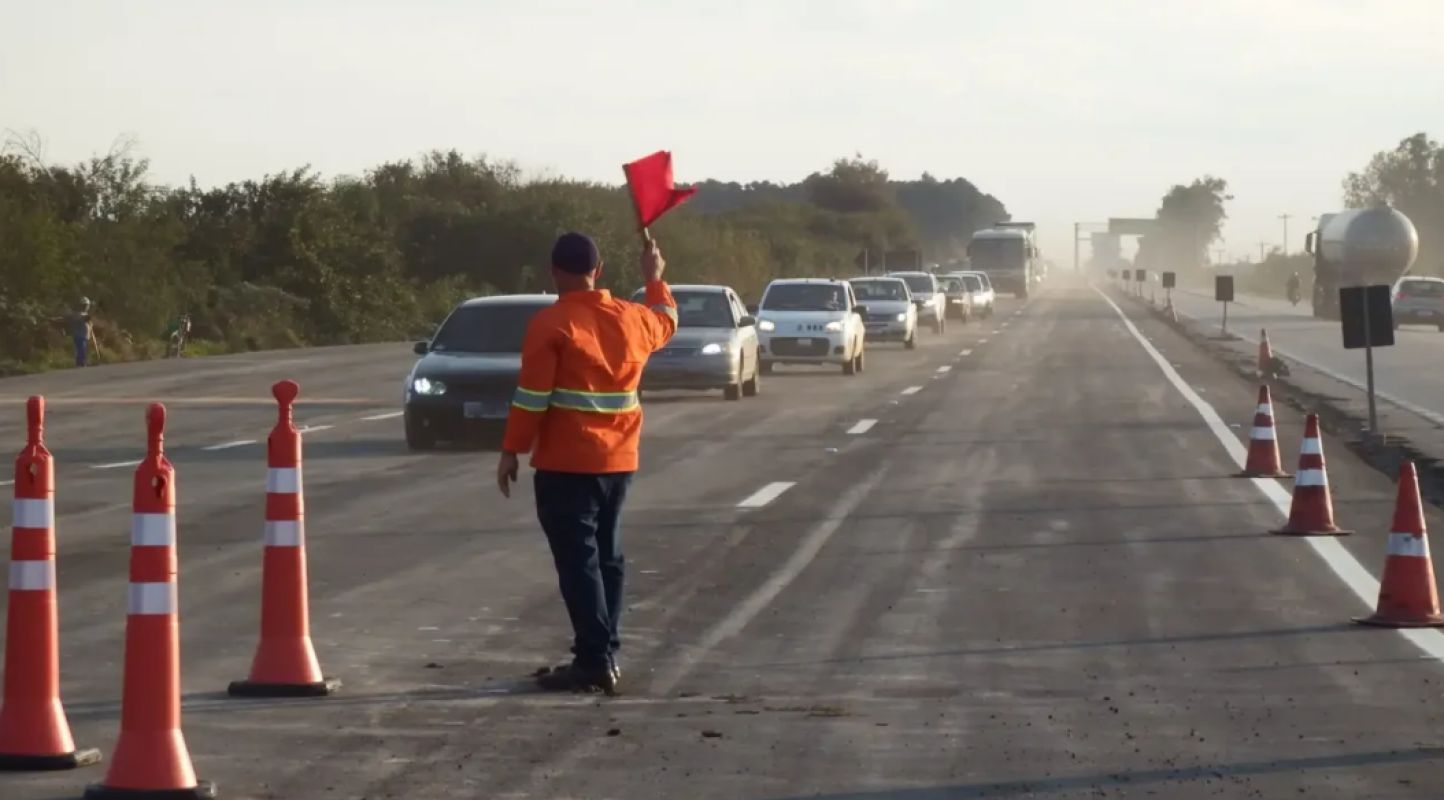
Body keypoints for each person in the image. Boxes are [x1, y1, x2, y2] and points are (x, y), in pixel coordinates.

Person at [496, 232, 677, 694]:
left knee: (579, 563)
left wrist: (511, 449)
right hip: (619, 462)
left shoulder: (551, 324)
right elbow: (667, 320)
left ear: (554, 271)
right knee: (608, 558)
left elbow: (533, 398)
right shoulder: (634, 318)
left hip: (566, 464)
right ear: (598, 271)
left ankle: (594, 659)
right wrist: (654, 278)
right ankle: (604, 650)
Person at [66, 298, 93, 367]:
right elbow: (78, 319)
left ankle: (80, 362)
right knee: (81, 349)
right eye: (84, 305)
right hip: (79, 335)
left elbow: (88, 322)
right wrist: (85, 319)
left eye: (87, 305)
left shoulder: (85, 314)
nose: (86, 307)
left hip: (85, 335)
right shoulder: (78, 314)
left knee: (83, 349)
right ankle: (81, 362)